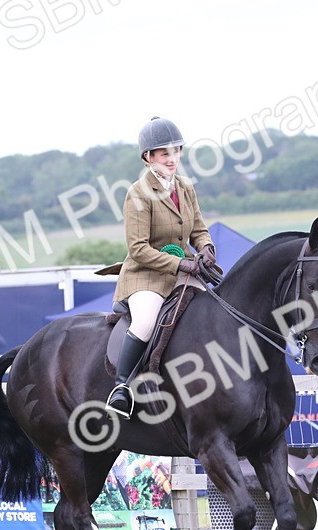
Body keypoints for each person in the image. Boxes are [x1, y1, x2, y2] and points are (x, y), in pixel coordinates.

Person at [105, 116, 224, 419]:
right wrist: (182, 263)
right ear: (148, 158)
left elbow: (198, 227)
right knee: (145, 322)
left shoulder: (184, 187)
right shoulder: (138, 193)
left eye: (176, 152)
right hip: (146, 275)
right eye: (164, 154)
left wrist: (207, 249)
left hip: (184, 272)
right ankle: (122, 388)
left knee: (215, 309)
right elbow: (139, 249)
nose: (172, 160)